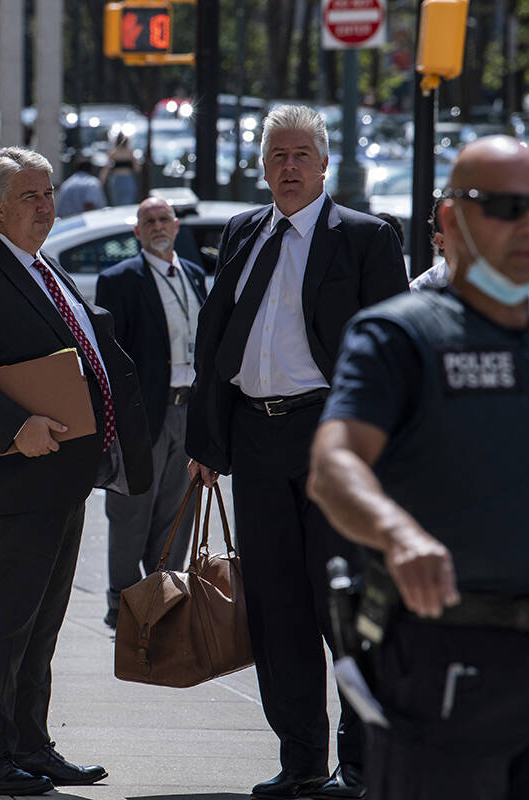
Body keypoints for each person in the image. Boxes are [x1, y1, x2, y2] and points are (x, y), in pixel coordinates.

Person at [308, 136, 529, 799]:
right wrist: (397, 533)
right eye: (502, 208)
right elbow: (335, 464)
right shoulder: (401, 334)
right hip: (454, 654)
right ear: (449, 222)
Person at [0, 146, 153, 796]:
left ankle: (30, 746)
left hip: (60, 483)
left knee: (40, 626)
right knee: (2, 621)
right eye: (30, 197)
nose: (46, 207)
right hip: (11, 480)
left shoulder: (44, 269)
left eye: (48, 194)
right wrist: (15, 426)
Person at [184, 104, 408, 799]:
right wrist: (206, 443)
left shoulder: (367, 238)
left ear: (324, 163)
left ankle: (364, 766)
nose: (288, 168)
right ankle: (301, 759)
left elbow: (391, 352)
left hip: (331, 440)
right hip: (255, 439)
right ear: (262, 166)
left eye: (301, 155)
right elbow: (216, 341)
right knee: (276, 608)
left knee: (341, 608)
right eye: (276, 156)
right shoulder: (244, 231)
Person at [95, 196, 207, 629]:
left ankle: (163, 600)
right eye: (148, 221)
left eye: (164, 219)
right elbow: (109, 358)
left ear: (176, 226)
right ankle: (121, 604)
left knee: (177, 512)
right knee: (131, 513)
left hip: (187, 409)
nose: (158, 226)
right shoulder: (119, 280)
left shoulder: (194, 275)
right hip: (143, 418)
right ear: (137, 232)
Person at [101, 130, 139, 207]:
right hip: (127, 179)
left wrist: (101, 180)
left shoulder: (113, 153)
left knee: (117, 203)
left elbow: (106, 168)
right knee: (128, 202)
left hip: (116, 179)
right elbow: (137, 168)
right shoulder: (130, 152)